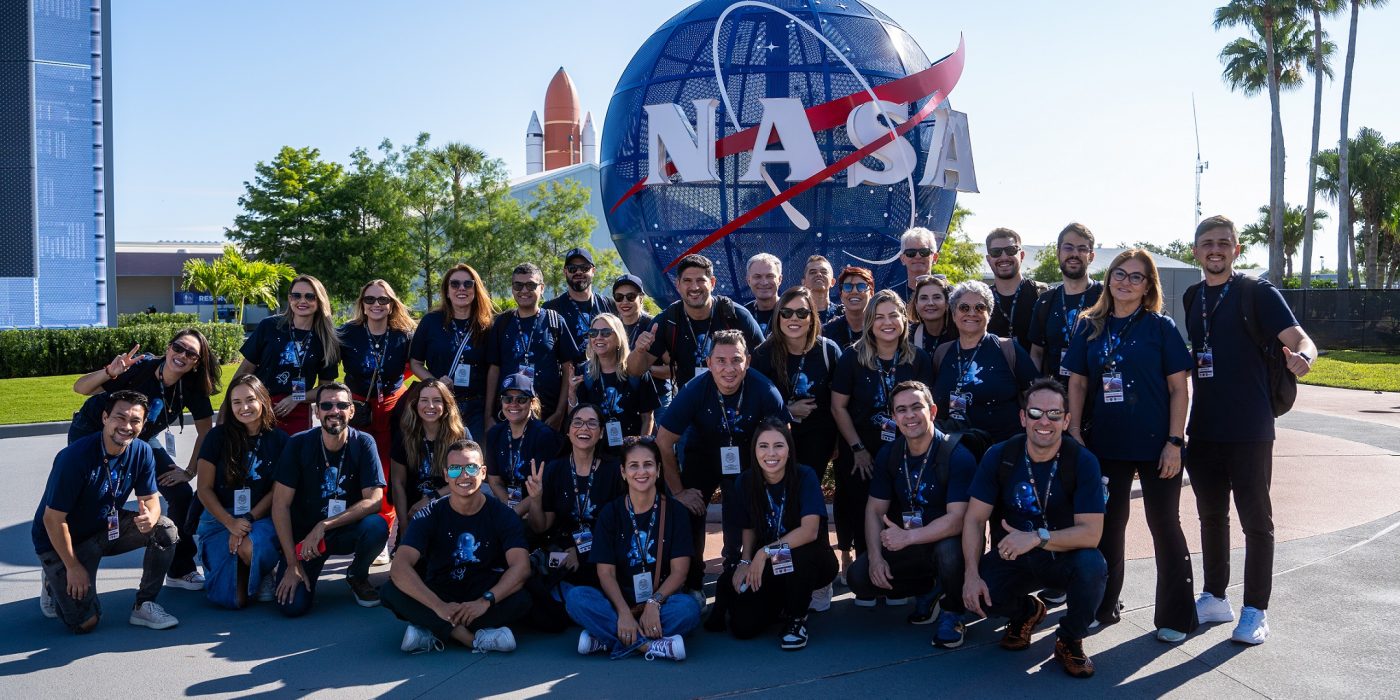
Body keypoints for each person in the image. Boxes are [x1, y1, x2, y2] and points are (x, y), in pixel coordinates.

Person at [1185, 215, 1317, 645]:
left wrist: (1305, 358)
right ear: (1196, 251)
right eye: (1207, 243)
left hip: (1250, 428)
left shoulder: (1256, 291)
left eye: (1224, 242)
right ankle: (1215, 598)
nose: (1215, 249)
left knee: (1256, 523)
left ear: (1236, 250)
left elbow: (1301, 339)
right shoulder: (1191, 297)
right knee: (1210, 518)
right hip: (1204, 429)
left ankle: (1256, 609)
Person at [1064, 249, 1196, 641]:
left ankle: (1176, 617)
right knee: (1107, 528)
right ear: (1108, 280)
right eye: (1119, 274)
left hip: (1159, 447)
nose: (1125, 282)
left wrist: (1175, 441)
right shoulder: (1088, 325)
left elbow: (1179, 388)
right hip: (1104, 445)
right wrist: (1073, 432)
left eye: (1136, 277)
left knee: (1165, 526)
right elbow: (1078, 382)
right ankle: (1102, 606)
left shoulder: (1161, 327)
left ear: (1148, 286)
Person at [962, 379, 1107, 678]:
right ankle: (1026, 611)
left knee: (1093, 566)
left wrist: (1037, 538)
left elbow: (1092, 533)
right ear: (1022, 417)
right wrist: (971, 575)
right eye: (1036, 412)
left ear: (1066, 420)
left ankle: (1069, 640)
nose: (1044, 421)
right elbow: (975, 519)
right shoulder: (999, 455)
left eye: (1054, 414)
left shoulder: (1083, 461)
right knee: (977, 592)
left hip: (1064, 556)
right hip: (1013, 555)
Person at [70, 327, 221, 592]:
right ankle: (60, 570)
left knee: (182, 494)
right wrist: (110, 371)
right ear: (168, 347)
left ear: (197, 362)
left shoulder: (193, 387)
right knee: (89, 500)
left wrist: (189, 471)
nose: (182, 355)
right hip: (93, 432)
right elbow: (79, 388)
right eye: (178, 347)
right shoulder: (139, 369)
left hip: (140, 438)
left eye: (191, 353)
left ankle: (180, 568)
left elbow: (206, 433)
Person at [35, 391, 181, 632]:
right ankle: (54, 578)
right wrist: (72, 567)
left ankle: (144, 605)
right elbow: (53, 519)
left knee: (165, 529)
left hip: (104, 527)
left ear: (143, 424)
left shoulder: (142, 452)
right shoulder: (74, 458)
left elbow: (151, 499)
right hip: (63, 539)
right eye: (119, 417)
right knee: (85, 624)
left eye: (135, 421)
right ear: (105, 418)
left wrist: (150, 517)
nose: (126, 426)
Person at [656, 330, 786, 591]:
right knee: (686, 510)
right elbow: (662, 440)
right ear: (709, 363)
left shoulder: (765, 390)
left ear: (747, 361)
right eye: (721, 361)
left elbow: (784, 442)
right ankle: (691, 583)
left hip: (748, 459)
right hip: (702, 455)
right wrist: (679, 491)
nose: (729, 368)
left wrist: (769, 485)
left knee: (749, 508)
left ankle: (739, 570)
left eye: (736, 360)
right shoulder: (694, 390)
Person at [848, 381, 973, 647]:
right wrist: (874, 558)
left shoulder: (956, 455)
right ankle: (930, 590)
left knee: (949, 552)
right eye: (901, 410)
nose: (909, 416)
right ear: (894, 418)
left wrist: (909, 538)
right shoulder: (890, 453)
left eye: (917, 407)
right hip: (912, 542)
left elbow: (958, 519)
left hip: (945, 540)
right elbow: (874, 509)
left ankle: (954, 611)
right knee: (859, 576)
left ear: (933, 411)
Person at [380, 439, 531, 654]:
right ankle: (470, 638)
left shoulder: (502, 514)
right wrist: (438, 606)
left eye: (471, 467)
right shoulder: (429, 514)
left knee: (522, 598)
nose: (463, 475)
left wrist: (485, 601)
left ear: (483, 472)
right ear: (445, 475)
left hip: (483, 590)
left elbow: (521, 567)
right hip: (441, 591)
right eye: (455, 469)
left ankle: (432, 629)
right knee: (390, 591)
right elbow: (400, 567)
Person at [830, 290, 934, 589]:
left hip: (906, 449)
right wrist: (858, 449)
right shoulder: (852, 356)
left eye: (893, 315)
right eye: (880, 317)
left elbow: (926, 409)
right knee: (865, 509)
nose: (887, 322)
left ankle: (900, 576)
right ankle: (868, 574)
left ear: (904, 319)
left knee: (902, 510)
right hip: (862, 449)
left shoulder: (918, 358)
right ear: (869, 321)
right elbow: (839, 406)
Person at [563, 436, 699, 661]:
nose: (641, 472)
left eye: (648, 464)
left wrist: (654, 604)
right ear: (624, 472)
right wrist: (624, 613)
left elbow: (680, 572)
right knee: (577, 598)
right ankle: (651, 646)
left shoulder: (675, 512)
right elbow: (605, 573)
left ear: (657, 470)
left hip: (660, 602)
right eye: (633, 466)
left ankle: (606, 639)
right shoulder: (610, 513)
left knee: (688, 609)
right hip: (618, 604)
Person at [714, 419, 837, 649]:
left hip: (811, 559)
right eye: (763, 446)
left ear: (789, 449)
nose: (771, 453)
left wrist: (763, 552)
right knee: (743, 627)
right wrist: (746, 559)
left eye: (778, 445)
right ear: (755, 450)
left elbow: (810, 531)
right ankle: (785, 601)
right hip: (772, 563)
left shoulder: (805, 476)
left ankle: (797, 619)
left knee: (797, 552)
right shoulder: (746, 481)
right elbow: (748, 526)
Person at [270, 382, 390, 616]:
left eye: (342, 405)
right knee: (292, 607)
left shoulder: (364, 442)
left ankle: (357, 575)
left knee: (376, 526)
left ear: (352, 411)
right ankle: (285, 568)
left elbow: (374, 500)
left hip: (343, 530)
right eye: (326, 405)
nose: (334, 411)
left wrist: (324, 525)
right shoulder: (298, 444)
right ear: (316, 412)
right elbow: (280, 505)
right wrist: (292, 563)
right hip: (307, 541)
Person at [523, 404, 625, 627]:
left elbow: (621, 527)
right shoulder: (554, 469)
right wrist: (536, 498)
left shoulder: (615, 470)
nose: (584, 428)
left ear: (601, 433)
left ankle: (584, 606)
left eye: (591, 423)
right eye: (577, 422)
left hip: (603, 549)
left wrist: (579, 551)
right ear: (568, 431)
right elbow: (541, 527)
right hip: (562, 549)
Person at [194, 375, 289, 609]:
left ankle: (262, 567)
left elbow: (277, 492)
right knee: (231, 600)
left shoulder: (280, 440)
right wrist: (230, 523)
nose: (243, 407)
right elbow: (203, 489)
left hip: (261, 516)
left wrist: (247, 520)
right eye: (236, 402)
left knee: (248, 546)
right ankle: (249, 567)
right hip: (220, 517)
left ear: (263, 400)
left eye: (250, 400)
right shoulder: (217, 437)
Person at [339, 279, 415, 563]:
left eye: (383, 300)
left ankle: (382, 532)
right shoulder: (348, 333)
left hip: (392, 408)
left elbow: (411, 367)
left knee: (387, 470)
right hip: (358, 409)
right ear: (362, 303)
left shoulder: (403, 335)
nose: (376, 305)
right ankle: (354, 528)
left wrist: (393, 390)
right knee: (357, 468)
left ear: (392, 303)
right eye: (370, 300)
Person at [627, 254, 764, 389]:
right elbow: (635, 371)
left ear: (712, 283)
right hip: (690, 403)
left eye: (700, 280)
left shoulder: (736, 316)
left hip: (734, 401)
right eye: (687, 281)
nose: (694, 287)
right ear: (678, 285)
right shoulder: (668, 319)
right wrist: (639, 351)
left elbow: (765, 361)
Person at [750, 287, 843, 485]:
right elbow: (753, 405)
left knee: (807, 491)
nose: (794, 318)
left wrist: (837, 441)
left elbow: (842, 401)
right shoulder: (763, 354)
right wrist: (788, 411)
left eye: (802, 313)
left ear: (811, 318)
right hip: (776, 439)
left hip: (818, 438)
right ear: (778, 317)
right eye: (786, 312)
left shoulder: (828, 350)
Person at [931, 281, 1039, 443]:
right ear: (954, 314)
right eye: (964, 308)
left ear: (989, 313)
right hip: (954, 449)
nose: (972, 313)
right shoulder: (942, 352)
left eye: (980, 307)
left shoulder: (1008, 349)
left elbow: (1037, 397)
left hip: (1003, 449)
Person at [234, 274, 341, 434]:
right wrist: (227, 406)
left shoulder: (326, 339)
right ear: (289, 299)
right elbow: (245, 370)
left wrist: (296, 398)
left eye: (310, 296)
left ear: (319, 301)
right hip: (259, 407)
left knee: (294, 457)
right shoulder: (269, 326)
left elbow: (325, 387)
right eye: (296, 295)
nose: (302, 301)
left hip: (297, 412)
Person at [486, 262, 579, 433]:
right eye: (518, 285)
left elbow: (568, 369)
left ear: (542, 288)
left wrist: (560, 412)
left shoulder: (554, 321)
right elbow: (494, 369)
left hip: (548, 415)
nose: (524, 290)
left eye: (531, 285)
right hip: (509, 413)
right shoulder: (502, 322)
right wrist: (488, 416)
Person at [408, 263, 495, 440]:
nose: (461, 288)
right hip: (441, 406)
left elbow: (494, 369)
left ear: (475, 289)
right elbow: (415, 363)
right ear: (447, 291)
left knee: (473, 461)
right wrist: (434, 382)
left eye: (467, 284)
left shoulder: (488, 326)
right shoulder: (430, 322)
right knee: (442, 459)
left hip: (476, 407)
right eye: (454, 284)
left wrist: (489, 413)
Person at [389, 380, 467, 546]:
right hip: (414, 512)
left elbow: (466, 477)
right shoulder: (404, 435)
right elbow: (398, 483)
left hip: (450, 507)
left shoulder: (460, 434)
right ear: (415, 404)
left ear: (446, 404)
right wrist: (404, 526)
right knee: (402, 569)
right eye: (424, 400)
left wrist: (432, 498)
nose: (430, 406)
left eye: (437, 400)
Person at [571, 313, 661, 447]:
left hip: (629, 453)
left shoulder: (636, 370)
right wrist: (571, 394)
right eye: (593, 333)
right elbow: (575, 419)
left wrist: (638, 449)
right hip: (596, 453)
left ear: (619, 338)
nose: (598, 337)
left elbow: (647, 418)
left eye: (606, 332)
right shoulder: (584, 372)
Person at [1029, 223, 1103, 382]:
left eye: (1082, 249)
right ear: (1058, 253)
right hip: (1056, 399)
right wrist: (1035, 389)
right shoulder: (1045, 301)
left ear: (1091, 256)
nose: (1075, 254)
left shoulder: (1106, 296)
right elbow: (1036, 353)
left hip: (1096, 398)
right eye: (1068, 248)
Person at [484, 373, 565, 517]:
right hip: (507, 505)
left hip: (538, 505)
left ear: (532, 403)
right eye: (508, 399)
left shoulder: (545, 436)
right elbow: (494, 480)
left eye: (521, 399)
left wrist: (514, 514)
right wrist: (509, 508)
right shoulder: (494, 434)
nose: (513, 404)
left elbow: (546, 485)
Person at [612, 274, 672, 415]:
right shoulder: (611, 327)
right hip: (624, 401)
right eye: (619, 297)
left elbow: (674, 370)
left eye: (631, 296)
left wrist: (641, 369)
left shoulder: (655, 326)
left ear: (641, 298)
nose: (624, 302)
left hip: (658, 399)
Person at [543, 247, 619, 352]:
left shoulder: (610, 305)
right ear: (565, 272)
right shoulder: (550, 309)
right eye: (572, 268)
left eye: (584, 268)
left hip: (606, 367)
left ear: (593, 271)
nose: (578, 272)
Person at [983, 228, 1046, 349]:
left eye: (1011, 250)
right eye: (996, 252)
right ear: (988, 259)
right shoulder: (981, 300)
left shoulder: (1043, 295)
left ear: (1021, 255)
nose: (1004, 257)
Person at [821, 265, 873, 348]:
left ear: (871, 294)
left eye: (861, 286)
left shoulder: (881, 327)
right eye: (848, 287)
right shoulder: (827, 332)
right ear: (841, 295)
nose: (854, 291)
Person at [909, 274, 956, 355]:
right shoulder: (908, 336)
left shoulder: (960, 333)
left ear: (947, 303)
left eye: (937, 297)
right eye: (924, 298)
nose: (930, 303)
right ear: (916, 304)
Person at [742, 252, 783, 336]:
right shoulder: (742, 315)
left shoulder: (792, 313)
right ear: (748, 281)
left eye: (770, 276)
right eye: (757, 276)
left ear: (779, 279)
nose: (764, 282)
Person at [895, 227, 939, 303]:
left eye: (924, 251)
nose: (918, 256)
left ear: (934, 257)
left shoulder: (949, 295)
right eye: (911, 252)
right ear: (902, 259)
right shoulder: (891, 297)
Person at [802, 255, 842, 325]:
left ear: (832, 282)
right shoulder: (796, 314)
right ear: (804, 282)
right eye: (813, 272)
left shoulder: (842, 314)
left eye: (824, 272)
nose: (818, 274)